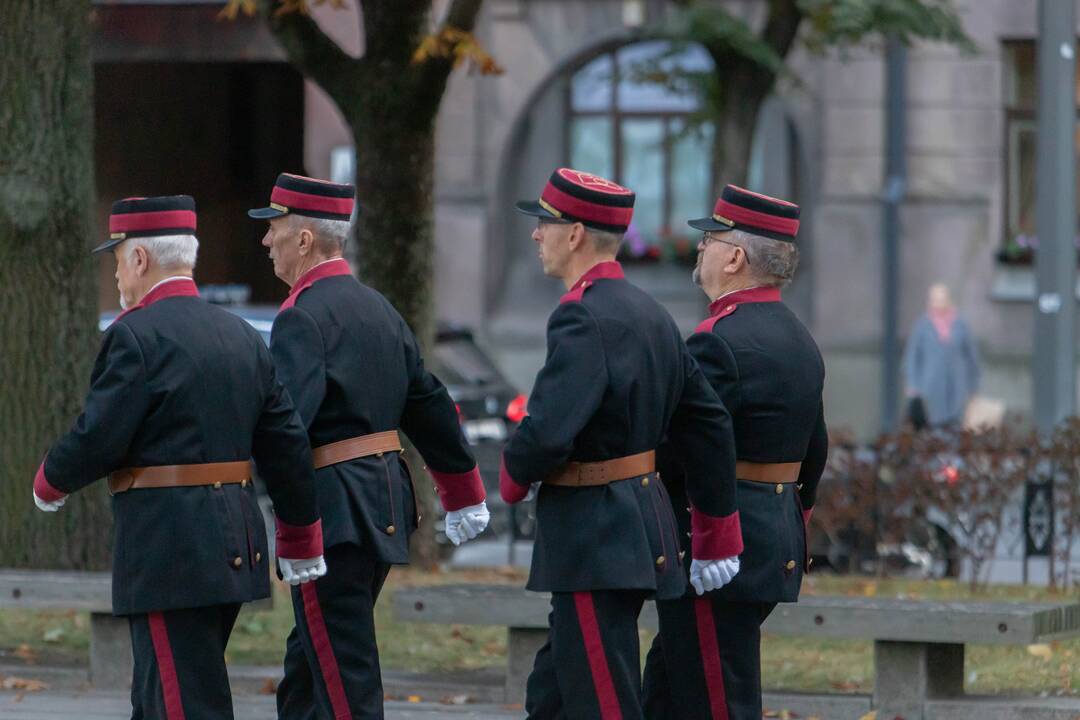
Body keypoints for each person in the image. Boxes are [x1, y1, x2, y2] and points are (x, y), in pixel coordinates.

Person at [32, 195, 324, 719]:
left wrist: (49, 481)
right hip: (234, 540)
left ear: (139, 259)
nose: (118, 276)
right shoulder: (242, 336)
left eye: (118, 261)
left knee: (182, 701)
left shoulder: (135, 337)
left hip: (171, 545)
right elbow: (285, 444)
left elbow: (99, 436)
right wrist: (301, 534)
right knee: (164, 692)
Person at [248, 173, 491, 719]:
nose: (267, 241)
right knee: (309, 669)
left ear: (305, 240)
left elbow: (287, 430)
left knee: (341, 676)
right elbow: (426, 398)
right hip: (381, 502)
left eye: (275, 229)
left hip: (335, 513)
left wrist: (291, 527)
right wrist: (462, 488)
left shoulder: (301, 316)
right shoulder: (377, 307)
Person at [502, 168, 743, 720]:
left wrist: (513, 475)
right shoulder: (651, 313)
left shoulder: (581, 315)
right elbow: (707, 421)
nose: (537, 235)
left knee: (602, 699)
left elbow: (548, 430)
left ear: (576, 234)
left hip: (594, 534)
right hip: (631, 524)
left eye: (545, 223)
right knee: (554, 694)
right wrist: (716, 524)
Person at [641, 185, 828, 720]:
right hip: (772, 538)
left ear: (736, 258)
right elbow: (815, 447)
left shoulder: (717, 339)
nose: (700, 248)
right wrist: (791, 517)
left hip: (717, 548)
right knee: (668, 689)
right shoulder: (798, 337)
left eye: (710, 240)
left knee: (718, 699)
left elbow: (685, 447)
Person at [903, 283, 981, 429]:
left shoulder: (961, 324)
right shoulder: (922, 326)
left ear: (948, 300)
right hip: (930, 388)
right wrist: (913, 386)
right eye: (934, 299)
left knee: (956, 429)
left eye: (941, 299)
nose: (938, 303)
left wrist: (974, 386)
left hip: (958, 387)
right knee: (932, 430)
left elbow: (972, 357)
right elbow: (912, 358)